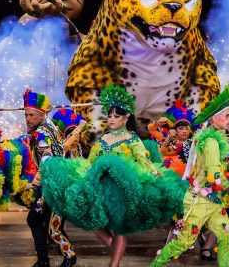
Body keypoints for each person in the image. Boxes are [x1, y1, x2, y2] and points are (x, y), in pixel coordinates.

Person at [41, 85, 187, 267]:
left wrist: (153, 172)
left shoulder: (132, 138)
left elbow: (143, 160)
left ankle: (114, 264)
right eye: (109, 115)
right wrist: (85, 175)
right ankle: (115, 246)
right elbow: (91, 162)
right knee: (94, 222)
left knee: (119, 229)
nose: (111, 119)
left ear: (126, 118)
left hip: (124, 189)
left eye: (116, 116)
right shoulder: (103, 139)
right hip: (101, 187)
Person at [150, 85, 229, 267]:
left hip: (213, 202)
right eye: (227, 116)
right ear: (215, 118)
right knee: (183, 243)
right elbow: (214, 175)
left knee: (227, 237)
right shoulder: (211, 142)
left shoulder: (210, 139)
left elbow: (215, 166)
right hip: (199, 202)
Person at [22, 90, 77, 267]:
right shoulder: (50, 126)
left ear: (41, 114)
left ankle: (67, 256)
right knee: (42, 222)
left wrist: (35, 184)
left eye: (31, 115)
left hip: (54, 186)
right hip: (58, 182)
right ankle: (44, 260)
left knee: (52, 226)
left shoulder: (41, 136)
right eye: (26, 115)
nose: (27, 119)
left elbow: (47, 163)